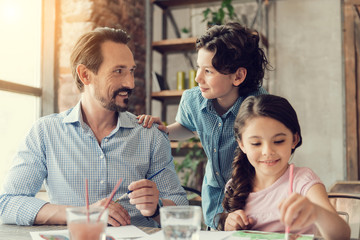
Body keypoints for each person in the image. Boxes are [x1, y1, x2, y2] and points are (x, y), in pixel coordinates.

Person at [0, 27, 188, 227]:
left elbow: (181, 207)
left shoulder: (150, 135)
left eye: (131, 71)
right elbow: (8, 204)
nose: (130, 83)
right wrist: (83, 213)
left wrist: (157, 207)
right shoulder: (45, 133)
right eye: (118, 71)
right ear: (85, 75)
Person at [138, 22, 270, 228]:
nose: (198, 77)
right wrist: (165, 130)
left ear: (238, 76)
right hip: (214, 196)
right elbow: (188, 127)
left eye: (208, 71)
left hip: (252, 197)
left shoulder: (259, 106)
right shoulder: (193, 99)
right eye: (199, 67)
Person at [217, 94, 350, 239]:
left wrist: (316, 211)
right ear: (242, 144)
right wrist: (229, 223)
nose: (268, 152)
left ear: (294, 140)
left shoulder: (303, 180)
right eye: (256, 143)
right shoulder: (235, 185)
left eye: (279, 141)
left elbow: (341, 235)